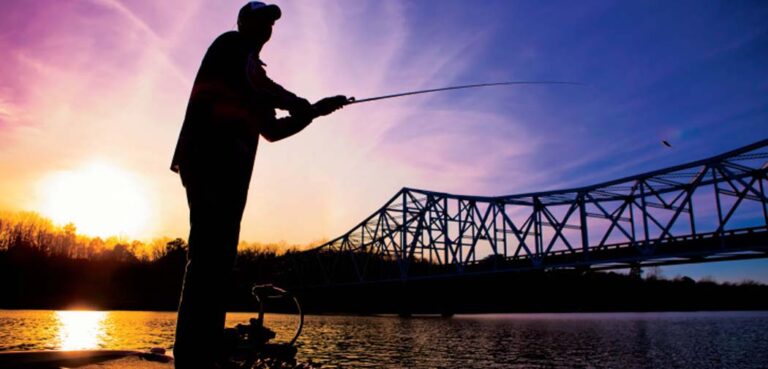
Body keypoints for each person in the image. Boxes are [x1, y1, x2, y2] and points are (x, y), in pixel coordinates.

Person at [169, 2, 348, 368]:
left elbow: (273, 131)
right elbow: (263, 86)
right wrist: (301, 103)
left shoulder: (252, 76)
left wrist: (313, 111)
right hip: (207, 160)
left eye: (270, 23)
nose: (266, 27)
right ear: (242, 23)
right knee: (206, 254)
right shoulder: (230, 47)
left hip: (234, 175)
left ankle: (204, 343)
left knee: (220, 257)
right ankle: (192, 349)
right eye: (259, 20)